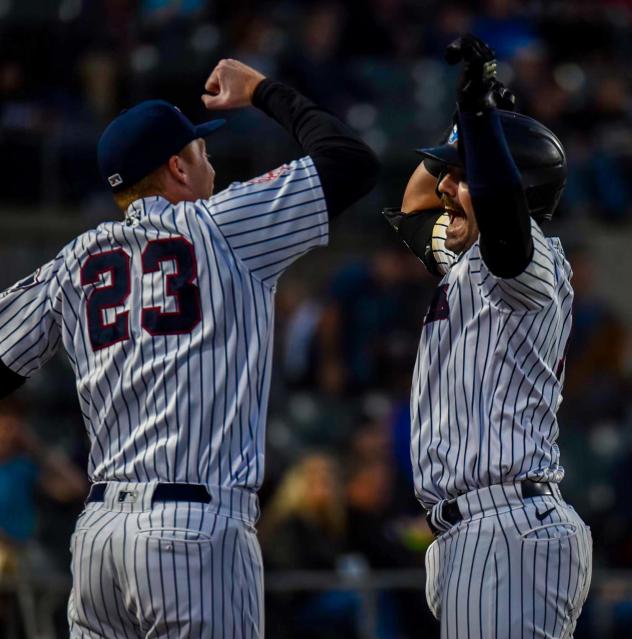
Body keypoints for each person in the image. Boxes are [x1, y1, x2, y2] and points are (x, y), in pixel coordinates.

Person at [0, 58, 379, 638]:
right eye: (202, 153)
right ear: (176, 167)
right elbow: (352, 162)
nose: (212, 162)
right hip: (192, 531)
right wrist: (262, 91)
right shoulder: (222, 225)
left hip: (100, 537)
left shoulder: (73, 263)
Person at [393, 35, 592, 638]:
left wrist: (480, 118)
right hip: (484, 532)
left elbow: (506, 218)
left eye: (460, 177)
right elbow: (411, 209)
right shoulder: (465, 259)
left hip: (506, 527)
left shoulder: (531, 263)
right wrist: (467, 129)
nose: (445, 188)